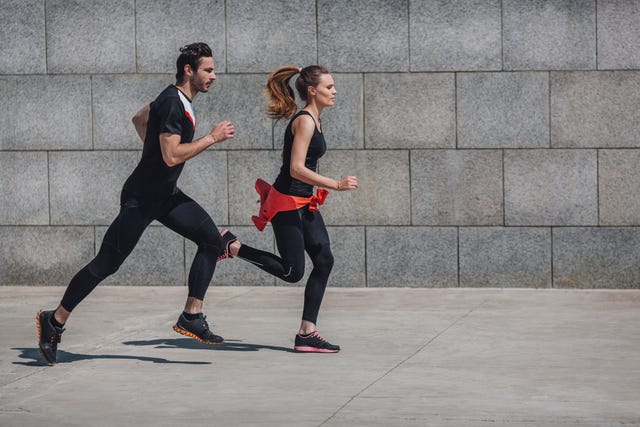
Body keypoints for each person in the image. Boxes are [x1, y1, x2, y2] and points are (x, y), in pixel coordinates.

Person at [36, 42, 236, 365]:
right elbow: (171, 155)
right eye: (208, 70)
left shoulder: (172, 99)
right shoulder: (174, 103)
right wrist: (211, 138)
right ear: (189, 70)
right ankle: (54, 320)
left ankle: (191, 315)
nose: (214, 75)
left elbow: (139, 119)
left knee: (212, 240)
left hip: (166, 196)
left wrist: (154, 157)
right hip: (142, 199)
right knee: (106, 264)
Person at [218, 65, 358, 353]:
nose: (334, 92)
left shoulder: (314, 120)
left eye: (333, 86)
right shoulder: (306, 121)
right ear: (312, 91)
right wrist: (335, 183)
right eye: (329, 87)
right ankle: (232, 246)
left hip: (303, 202)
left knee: (324, 261)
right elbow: (295, 169)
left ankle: (307, 332)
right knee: (293, 271)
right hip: (287, 203)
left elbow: (290, 157)